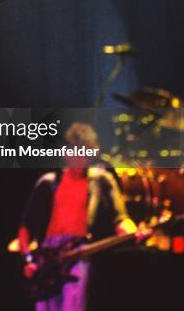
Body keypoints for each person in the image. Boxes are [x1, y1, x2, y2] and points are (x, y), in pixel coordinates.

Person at [17, 122, 146, 311]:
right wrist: (28, 260)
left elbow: (120, 219)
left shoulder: (101, 181)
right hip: (48, 256)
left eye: (84, 153)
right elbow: (25, 227)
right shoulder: (48, 183)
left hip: (78, 253)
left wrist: (133, 232)